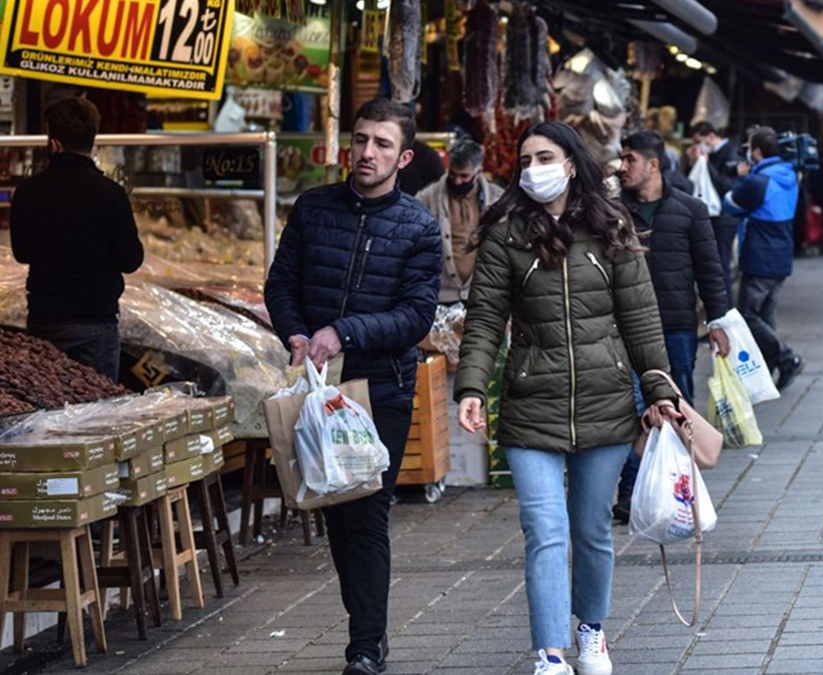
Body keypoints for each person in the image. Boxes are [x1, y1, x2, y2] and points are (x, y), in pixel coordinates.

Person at [454, 121, 678, 675]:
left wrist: (658, 387)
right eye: (526, 161)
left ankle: (591, 630)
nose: (533, 169)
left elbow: (641, 318)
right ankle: (550, 653)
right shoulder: (507, 235)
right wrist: (471, 386)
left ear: (572, 164)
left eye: (545, 157)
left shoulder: (610, 227)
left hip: (605, 403)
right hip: (531, 405)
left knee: (592, 531)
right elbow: (484, 319)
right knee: (545, 532)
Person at [264, 98, 442, 675]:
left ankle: (366, 646)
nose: (367, 152)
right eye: (361, 139)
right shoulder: (313, 208)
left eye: (382, 144)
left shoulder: (418, 227)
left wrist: (344, 331)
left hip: (380, 390)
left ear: (403, 157)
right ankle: (366, 627)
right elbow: (280, 283)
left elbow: (416, 316)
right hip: (317, 388)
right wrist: (295, 331)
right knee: (334, 513)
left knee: (365, 510)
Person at [612, 131, 731, 523]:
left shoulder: (690, 210)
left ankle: (679, 487)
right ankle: (631, 490)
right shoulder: (612, 212)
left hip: (676, 325)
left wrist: (717, 321)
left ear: (653, 165)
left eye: (630, 159)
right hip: (625, 329)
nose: (622, 167)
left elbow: (710, 269)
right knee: (633, 410)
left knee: (677, 408)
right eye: (621, 159)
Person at [10, 96, 143, 382]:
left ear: (53, 143)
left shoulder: (27, 191)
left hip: (45, 321)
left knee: (44, 405)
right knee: (96, 406)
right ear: (93, 141)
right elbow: (131, 260)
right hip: (96, 321)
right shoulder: (112, 194)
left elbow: (22, 253)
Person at [725, 126, 805, 390]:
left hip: (760, 255)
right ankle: (770, 368)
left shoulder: (758, 181)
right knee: (766, 314)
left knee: (748, 316)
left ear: (757, 151)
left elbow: (731, 205)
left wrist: (741, 178)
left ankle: (787, 358)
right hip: (781, 254)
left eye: (749, 147)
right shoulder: (789, 174)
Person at [417, 139, 503, 304]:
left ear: (478, 173)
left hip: (483, 294)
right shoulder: (427, 198)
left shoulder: (497, 199)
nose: (457, 181)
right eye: (453, 174)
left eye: (464, 176)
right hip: (440, 295)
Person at [689, 121, 740, 303]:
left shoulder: (730, 154)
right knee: (713, 264)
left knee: (721, 264)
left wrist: (706, 163)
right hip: (713, 216)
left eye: (699, 141)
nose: (698, 147)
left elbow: (727, 186)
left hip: (724, 218)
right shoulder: (711, 154)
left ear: (711, 136)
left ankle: (727, 307)